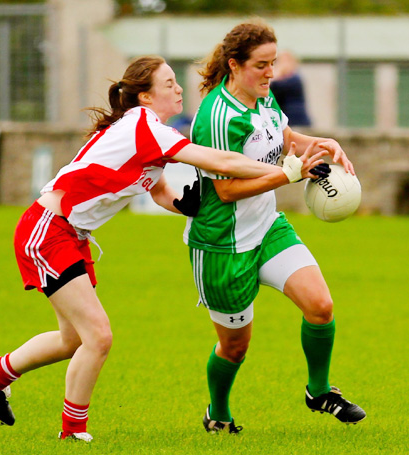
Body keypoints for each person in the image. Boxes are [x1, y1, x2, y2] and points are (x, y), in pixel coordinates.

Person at [0, 55, 326, 443]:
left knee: (74, 340)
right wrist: (286, 172)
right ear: (146, 97)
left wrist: (181, 205)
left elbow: (158, 191)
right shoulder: (144, 125)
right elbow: (218, 160)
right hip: (48, 230)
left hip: (70, 235)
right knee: (98, 337)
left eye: (176, 81)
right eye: (168, 83)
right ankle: (72, 434)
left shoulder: (147, 130)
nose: (178, 88)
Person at [183, 20, 366, 433]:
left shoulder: (264, 100)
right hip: (223, 244)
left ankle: (319, 392)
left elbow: (285, 141)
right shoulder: (216, 115)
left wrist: (320, 143)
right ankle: (219, 413)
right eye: (261, 65)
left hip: (267, 226)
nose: (271, 72)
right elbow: (226, 192)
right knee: (235, 346)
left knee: (320, 307)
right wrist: (290, 175)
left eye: (274, 62)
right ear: (235, 65)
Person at [270, 50, 311, 127]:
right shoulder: (284, 79)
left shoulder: (294, 79)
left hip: (297, 121)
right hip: (285, 120)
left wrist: (278, 71)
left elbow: (273, 85)